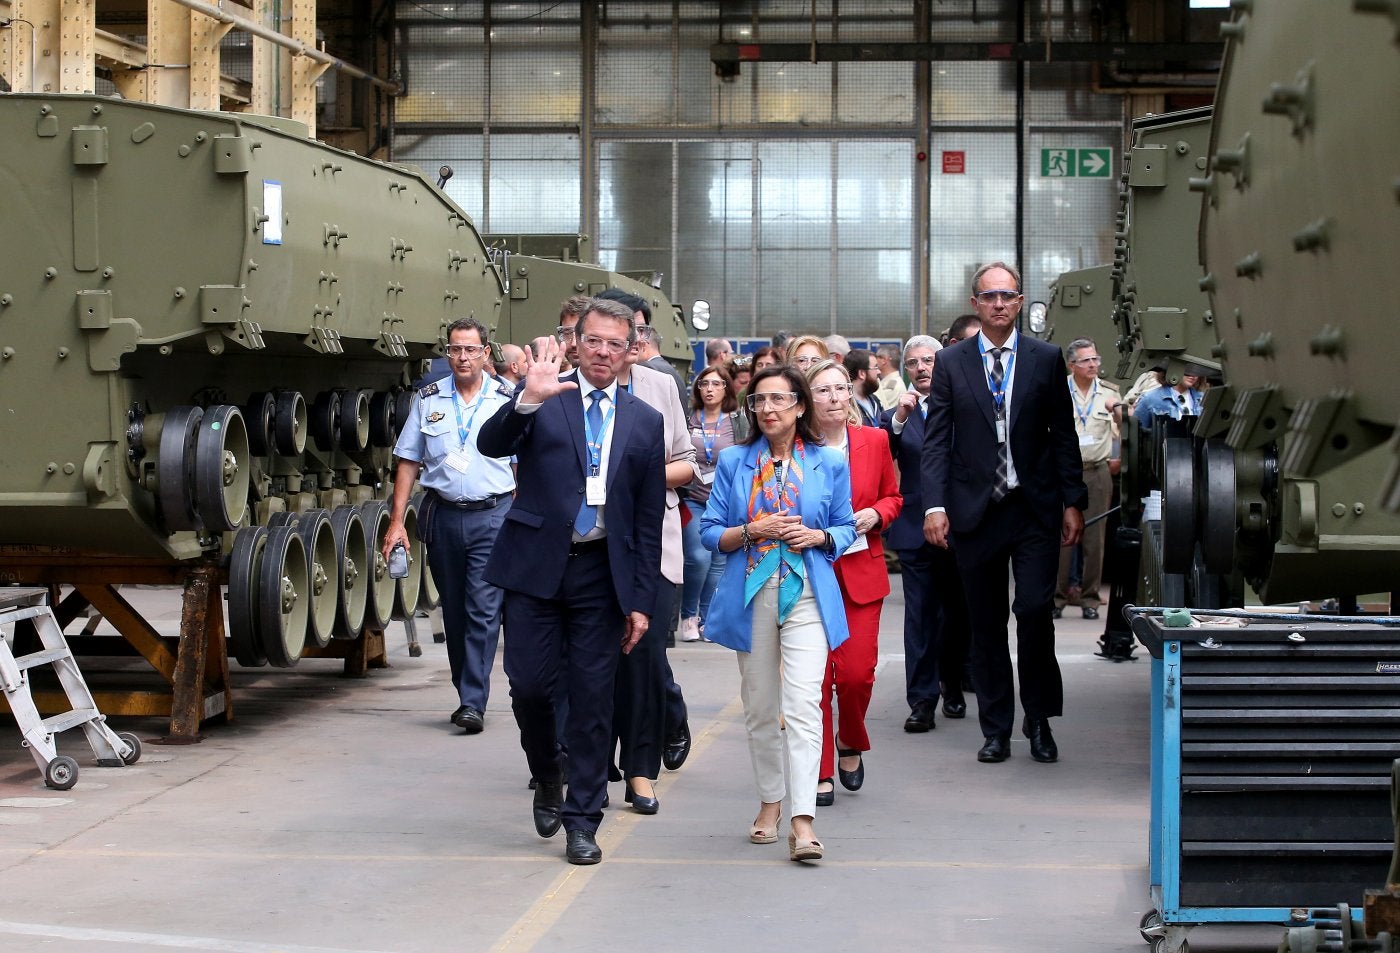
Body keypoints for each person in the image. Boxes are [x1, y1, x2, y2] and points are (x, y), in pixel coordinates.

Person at [477, 298, 666, 865]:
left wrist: (641, 600)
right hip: (535, 567)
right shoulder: (545, 396)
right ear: (575, 343)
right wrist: (527, 399)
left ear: (631, 349)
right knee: (530, 687)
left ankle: (583, 820)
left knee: (592, 700)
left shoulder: (645, 421)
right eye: (593, 341)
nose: (603, 352)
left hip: (601, 573)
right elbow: (491, 445)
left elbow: (647, 520)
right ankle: (546, 773)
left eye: (616, 343)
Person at [921, 262, 1087, 765]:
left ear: (1020, 303)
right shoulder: (952, 363)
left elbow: (1064, 435)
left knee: (1035, 612)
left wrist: (1074, 500)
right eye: (989, 297)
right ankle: (995, 728)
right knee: (985, 622)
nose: (998, 304)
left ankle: (1038, 720)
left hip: (1032, 506)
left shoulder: (1046, 359)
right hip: (975, 510)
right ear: (976, 304)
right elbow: (936, 442)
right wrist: (934, 504)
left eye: (1008, 296)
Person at [700, 365, 857, 862]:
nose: (767, 409)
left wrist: (821, 538)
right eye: (758, 401)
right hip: (752, 593)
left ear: (799, 406)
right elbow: (710, 533)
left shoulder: (829, 461)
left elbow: (847, 526)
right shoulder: (733, 461)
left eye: (778, 400)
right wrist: (754, 530)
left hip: (807, 590)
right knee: (762, 707)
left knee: (805, 704)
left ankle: (803, 820)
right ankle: (770, 801)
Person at [383, 317, 514, 735]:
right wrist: (396, 522)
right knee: (454, 611)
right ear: (448, 353)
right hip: (442, 516)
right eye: (455, 349)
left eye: (471, 349)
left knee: (482, 608)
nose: (462, 357)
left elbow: (524, 464)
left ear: (485, 354)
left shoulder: (506, 399)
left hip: (493, 516)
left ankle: (473, 701)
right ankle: (466, 693)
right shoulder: (428, 399)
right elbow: (408, 460)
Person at [609, 317, 700, 815]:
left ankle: (640, 770)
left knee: (642, 661)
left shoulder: (659, 386)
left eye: (631, 335)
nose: (620, 346)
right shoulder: (559, 387)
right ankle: (588, 759)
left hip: (651, 539)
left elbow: (687, 462)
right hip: (586, 544)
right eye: (596, 337)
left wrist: (637, 477)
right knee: (591, 661)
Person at [805, 360, 901, 808]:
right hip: (809, 573)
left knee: (857, 673)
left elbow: (894, 496)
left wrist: (878, 514)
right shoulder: (795, 446)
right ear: (808, 399)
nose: (835, 398)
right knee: (817, 678)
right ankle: (821, 765)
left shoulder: (875, 440)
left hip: (862, 572)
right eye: (823, 391)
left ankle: (850, 738)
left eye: (841, 389)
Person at [882, 334, 972, 732]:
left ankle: (953, 682)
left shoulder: (964, 406)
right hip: (915, 527)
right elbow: (882, 450)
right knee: (919, 617)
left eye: (929, 360)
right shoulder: (897, 413)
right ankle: (921, 700)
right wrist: (899, 418)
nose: (921, 368)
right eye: (913, 362)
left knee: (956, 614)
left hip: (960, 526)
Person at [680, 365, 748, 643]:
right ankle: (688, 615)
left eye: (716, 384)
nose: (709, 389)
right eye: (704, 384)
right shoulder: (689, 419)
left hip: (725, 502)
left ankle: (708, 620)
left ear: (726, 389)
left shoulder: (736, 421)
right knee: (698, 557)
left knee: (719, 560)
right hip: (694, 498)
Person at [1055, 338, 1119, 621]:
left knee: (1095, 538)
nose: (1093, 364)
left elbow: (1121, 431)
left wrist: (1117, 459)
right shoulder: (1057, 391)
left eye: (1096, 359)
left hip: (1097, 471)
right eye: (1086, 360)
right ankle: (1056, 597)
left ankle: (1090, 598)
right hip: (1064, 472)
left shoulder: (1110, 394)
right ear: (1072, 365)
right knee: (1062, 537)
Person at [596, 288, 687, 410]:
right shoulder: (569, 386)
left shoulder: (663, 385)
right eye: (630, 329)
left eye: (641, 330)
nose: (638, 339)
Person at [1133, 367, 1206, 431]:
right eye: (1187, 369)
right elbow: (1136, 434)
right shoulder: (1151, 398)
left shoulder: (1204, 399)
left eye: (1197, 370)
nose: (1193, 375)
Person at [843, 348, 883, 428]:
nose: (879, 372)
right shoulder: (846, 406)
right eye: (875, 367)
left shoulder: (874, 400)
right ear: (862, 373)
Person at [873, 344, 905, 410]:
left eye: (876, 357)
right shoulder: (889, 382)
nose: (874, 359)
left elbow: (877, 407)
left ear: (883, 360)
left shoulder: (894, 386)